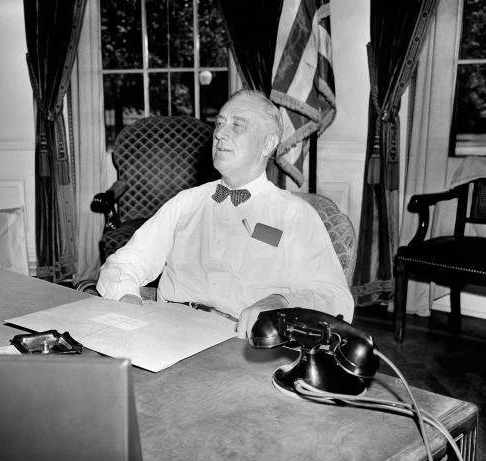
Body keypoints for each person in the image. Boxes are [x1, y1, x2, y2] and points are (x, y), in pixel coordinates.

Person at [97, 89, 354, 339]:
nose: (220, 133)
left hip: (243, 341)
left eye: (237, 125)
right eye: (219, 123)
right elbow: (125, 262)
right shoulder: (186, 203)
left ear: (268, 144)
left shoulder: (295, 215)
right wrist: (126, 298)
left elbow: (336, 298)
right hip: (169, 330)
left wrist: (282, 301)